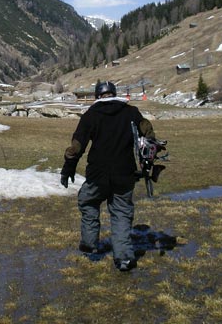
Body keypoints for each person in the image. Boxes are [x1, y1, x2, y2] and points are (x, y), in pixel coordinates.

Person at [60, 80, 156, 272]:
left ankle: (89, 244)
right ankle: (124, 259)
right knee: (121, 213)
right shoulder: (131, 112)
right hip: (125, 173)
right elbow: (148, 134)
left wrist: (68, 168)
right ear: (114, 93)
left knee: (87, 202)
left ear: (97, 96)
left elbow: (77, 146)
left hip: (97, 174)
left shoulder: (91, 115)